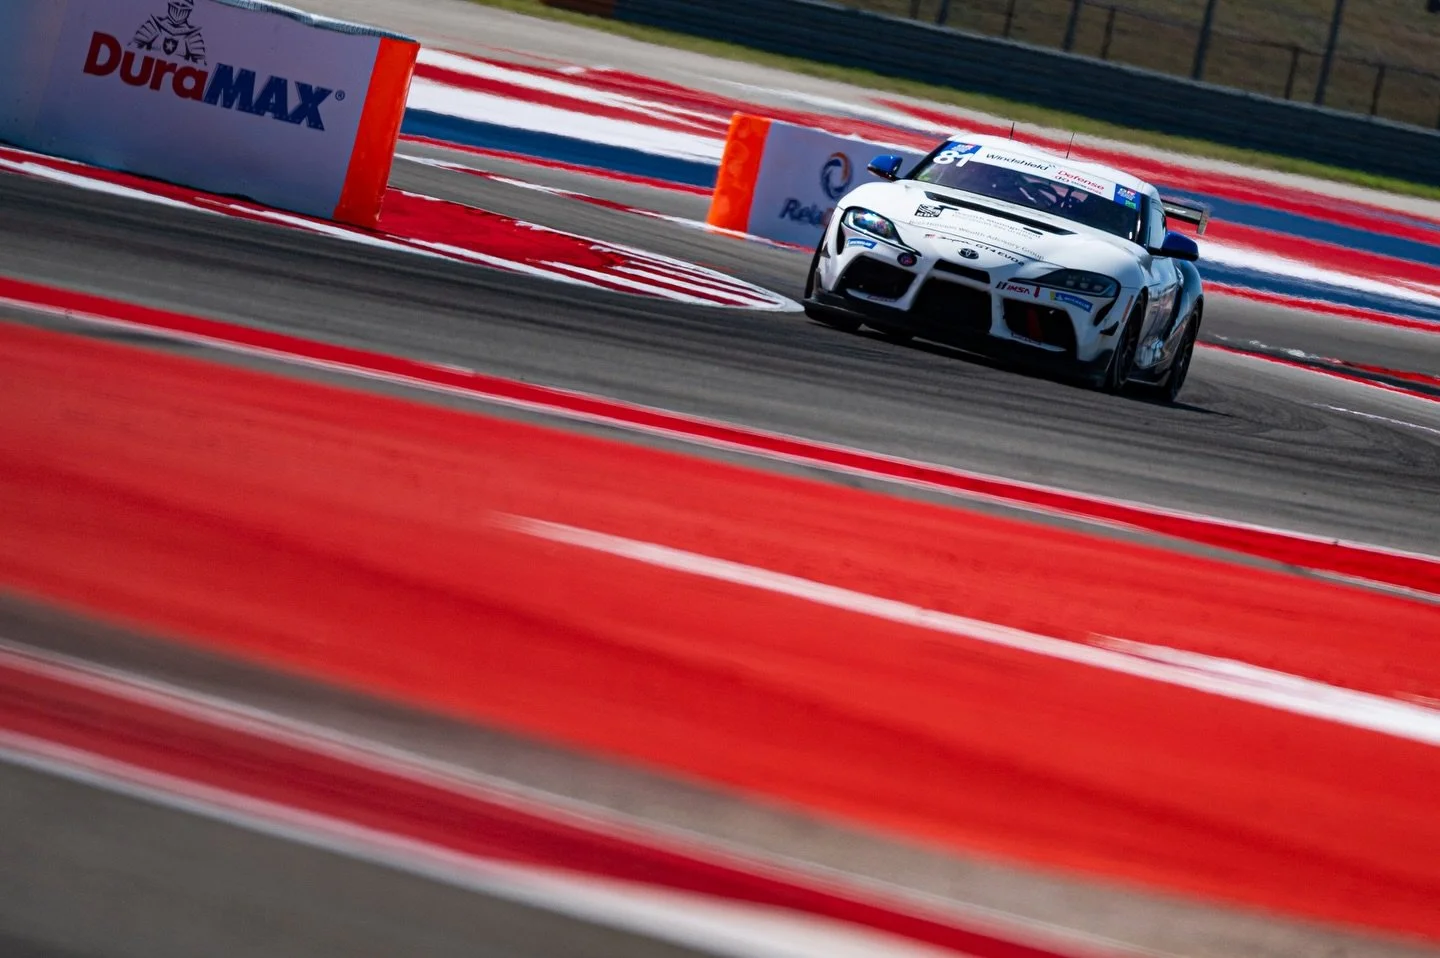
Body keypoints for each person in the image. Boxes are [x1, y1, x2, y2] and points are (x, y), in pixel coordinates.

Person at [133, 0, 207, 65]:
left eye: (184, 5)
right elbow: (132, 47)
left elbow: (201, 64)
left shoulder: (193, 36)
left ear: (189, 10)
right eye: (176, 3)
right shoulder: (153, 25)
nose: (179, 8)